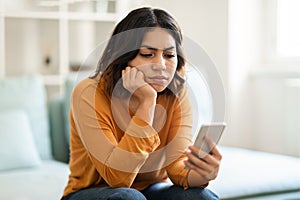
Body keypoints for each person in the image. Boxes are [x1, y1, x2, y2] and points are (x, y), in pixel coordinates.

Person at [62, 7, 222, 200]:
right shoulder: (89, 92)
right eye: (148, 54)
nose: (161, 65)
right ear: (123, 56)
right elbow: (117, 178)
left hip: (149, 190)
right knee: (128, 197)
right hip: (89, 193)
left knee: (201, 196)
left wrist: (202, 174)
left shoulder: (177, 95)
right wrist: (147, 104)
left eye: (169, 55)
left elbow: (176, 166)